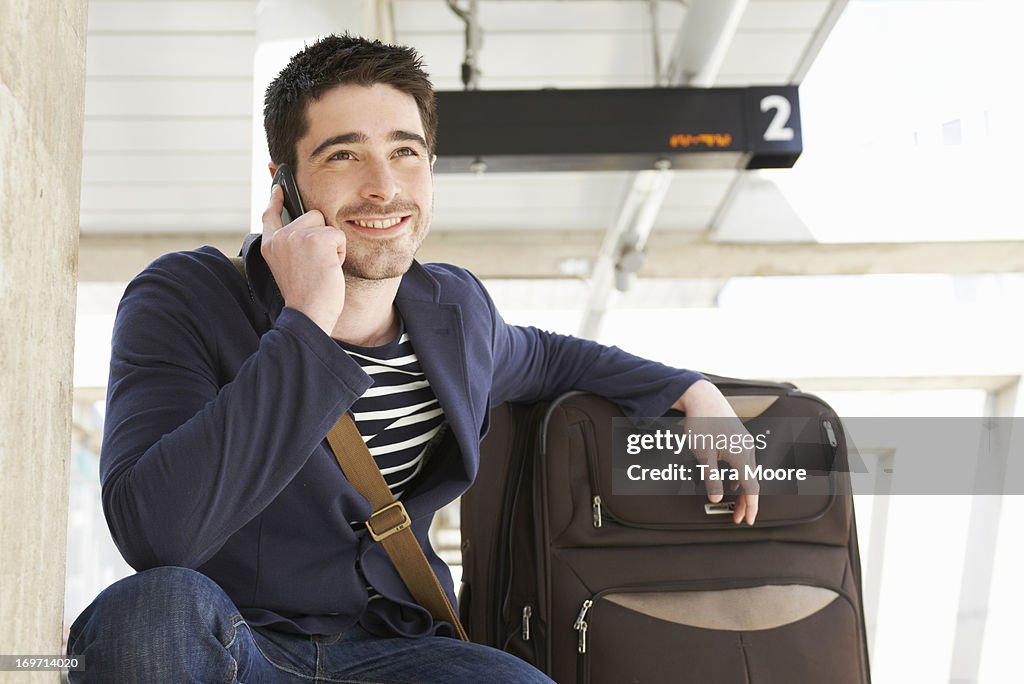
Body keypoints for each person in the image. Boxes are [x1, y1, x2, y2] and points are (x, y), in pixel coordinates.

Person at [67, 33, 758, 682]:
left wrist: (689, 388)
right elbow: (155, 533)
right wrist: (307, 320)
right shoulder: (187, 298)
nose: (383, 187)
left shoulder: (452, 311)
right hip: (232, 644)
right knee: (148, 614)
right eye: (343, 155)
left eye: (405, 152)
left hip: (395, 651)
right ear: (285, 186)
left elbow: (548, 357)